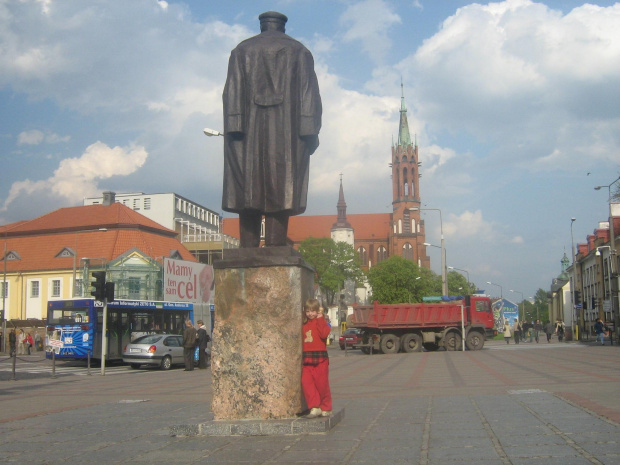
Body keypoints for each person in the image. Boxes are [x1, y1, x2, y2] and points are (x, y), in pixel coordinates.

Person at [222, 11, 322, 247]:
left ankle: (247, 247)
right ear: (282, 28)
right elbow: (309, 93)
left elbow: (231, 91)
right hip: (288, 132)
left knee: (246, 187)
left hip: (246, 132)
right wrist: (310, 131)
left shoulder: (242, 50)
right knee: (282, 187)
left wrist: (234, 125)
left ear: (262, 26)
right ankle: (277, 246)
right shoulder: (299, 51)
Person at [301, 299, 332, 418]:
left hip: (320, 358)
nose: (310, 314)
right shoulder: (304, 324)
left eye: (313, 311)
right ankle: (314, 406)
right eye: (308, 311)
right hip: (307, 358)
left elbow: (324, 334)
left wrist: (320, 318)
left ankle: (326, 407)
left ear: (317, 311)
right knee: (307, 383)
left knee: (322, 384)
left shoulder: (322, 322)